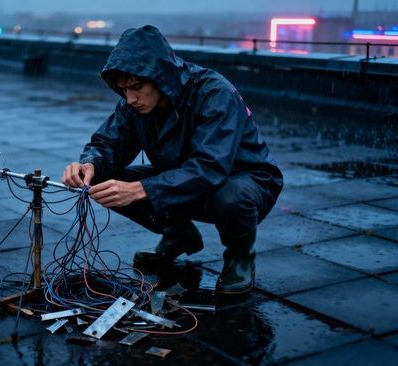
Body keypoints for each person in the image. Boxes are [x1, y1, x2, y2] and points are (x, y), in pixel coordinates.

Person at [61, 25, 283, 295]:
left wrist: (142, 189)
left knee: (231, 196)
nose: (130, 98)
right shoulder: (134, 104)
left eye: (137, 87)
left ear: (161, 77)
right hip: (182, 178)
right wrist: (89, 164)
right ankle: (178, 235)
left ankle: (240, 256)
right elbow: (108, 143)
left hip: (245, 179)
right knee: (103, 180)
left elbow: (210, 165)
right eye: (123, 89)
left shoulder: (215, 93)